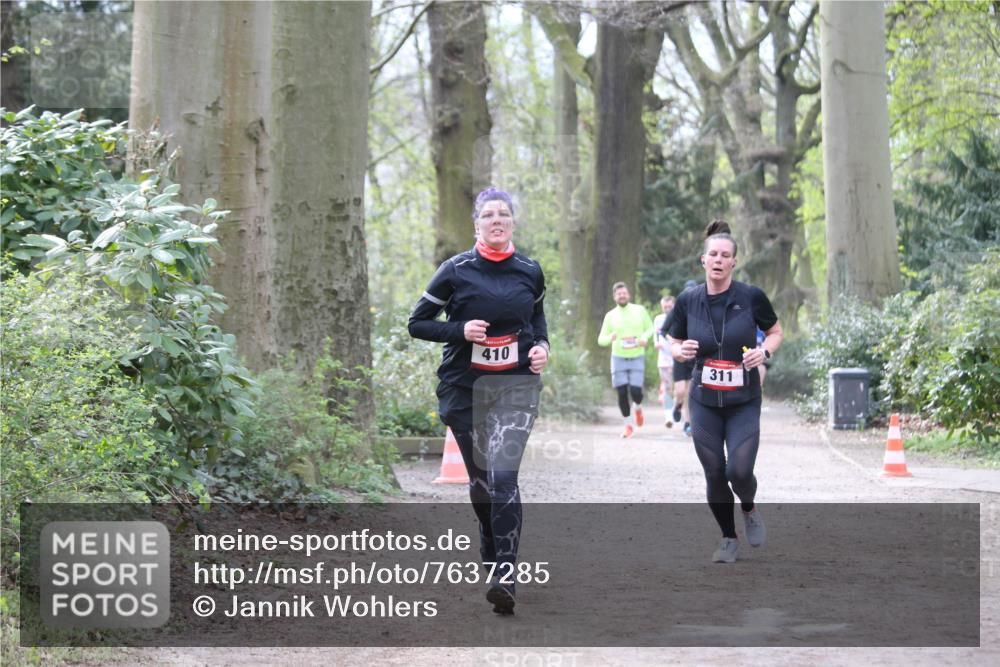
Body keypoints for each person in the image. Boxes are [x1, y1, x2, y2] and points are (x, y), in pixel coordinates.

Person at [408, 187, 550, 614]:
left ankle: (506, 576)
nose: (497, 221)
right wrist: (460, 330)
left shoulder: (530, 270)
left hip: (516, 385)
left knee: (504, 478)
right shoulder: (454, 270)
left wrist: (542, 344)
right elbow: (417, 323)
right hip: (465, 388)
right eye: (488, 215)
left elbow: (537, 317)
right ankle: (492, 546)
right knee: (483, 484)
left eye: (503, 214)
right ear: (476, 224)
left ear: (512, 223)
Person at [668, 220, 783, 563]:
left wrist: (766, 351)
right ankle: (728, 538)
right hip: (703, 399)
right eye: (713, 254)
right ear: (703, 260)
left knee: (740, 472)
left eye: (725, 255)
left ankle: (748, 507)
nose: (718, 260)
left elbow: (775, 330)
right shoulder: (688, 300)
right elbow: (672, 340)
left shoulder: (751, 297)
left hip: (743, 401)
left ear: (734, 262)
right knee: (715, 470)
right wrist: (679, 351)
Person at [597, 282, 654, 438]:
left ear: (628, 295)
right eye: (618, 294)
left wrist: (643, 337)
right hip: (618, 358)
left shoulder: (639, 310)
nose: (622, 296)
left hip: (637, 356)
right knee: (622, 392)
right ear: (614, 297)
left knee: (636, 392)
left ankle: (638, 407)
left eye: (624, 293)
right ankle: (628, 426)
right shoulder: (610, 315)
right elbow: (601, 339)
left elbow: (650, 328)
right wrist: (610, 337)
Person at [666, 279, 699, 435]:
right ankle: (677, 406)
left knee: (691, 392)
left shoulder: (701, 311)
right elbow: (663, 330)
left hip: (694, 356)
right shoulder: (677, 311)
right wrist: (673, 344)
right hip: (680, 354)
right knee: (680, 391)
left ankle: (688, 424)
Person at [652, 296, 676, 427]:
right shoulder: (658, 319)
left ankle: (675, 410)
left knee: (679, 389)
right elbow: (655, 335)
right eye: (665, 307)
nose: (667, 309)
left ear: (674, 305)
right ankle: (668, 416)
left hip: (677, 357)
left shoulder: (679, 318)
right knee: (667, 387)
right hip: (663, 358)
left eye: (670, 306)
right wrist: (656, 343)